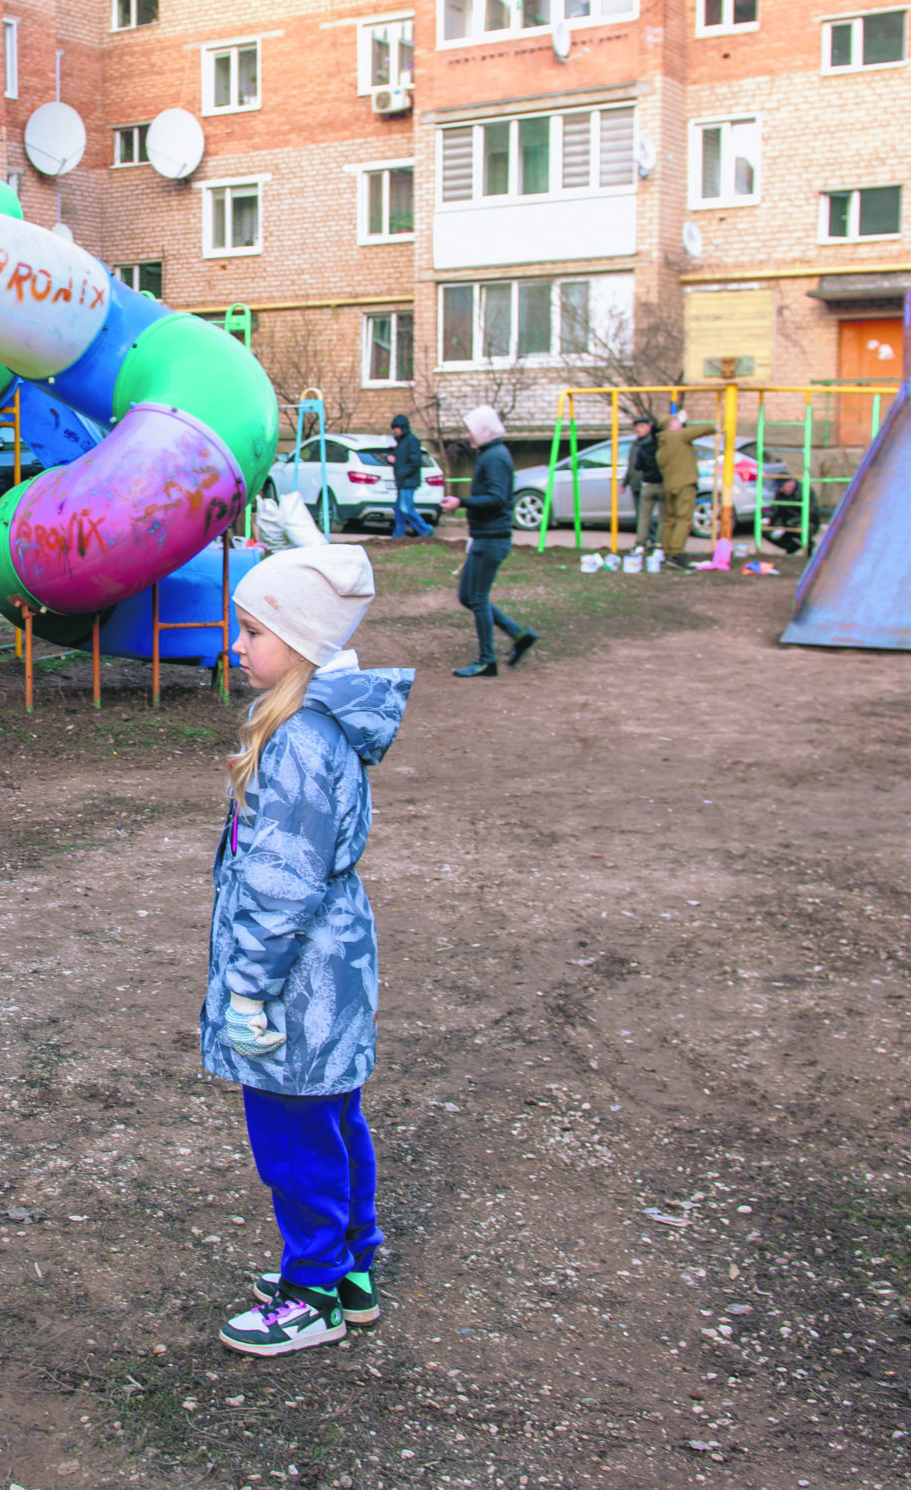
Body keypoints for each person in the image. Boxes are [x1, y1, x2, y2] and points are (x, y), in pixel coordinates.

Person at [205, 543, 413, 1357]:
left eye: (252, 631)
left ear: (298, 644)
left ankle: (312, 1290)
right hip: (335, 964)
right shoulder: (320, 727)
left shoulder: (297, 742)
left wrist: (248, 989)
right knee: (334, 1115)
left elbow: (280, 885)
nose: (238, 645)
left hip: (296, 979)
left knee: (294, 1137)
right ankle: (350, 1266)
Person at [436, 404, 537, 678]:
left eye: (471, 430)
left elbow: (497, 499)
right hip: (484, 537)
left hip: (492, 539)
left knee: (477, 598)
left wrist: (461, 502)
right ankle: (519, 635)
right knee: (467, 596)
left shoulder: (495, 458)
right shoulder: (490, 454)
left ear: (482, 431)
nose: (468, 436)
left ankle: (486, 661)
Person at [655, 410, 703, 562]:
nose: (680, 424)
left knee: (670, 519)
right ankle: (676, 554)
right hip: (685, 485)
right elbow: (695, 431)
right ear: (671, 426)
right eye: (676, 422)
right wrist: (716, 428)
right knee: (684, 519)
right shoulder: (678, 436)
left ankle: (666, 550)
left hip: (670, 486)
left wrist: (681, 421)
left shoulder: (663, 443)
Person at [385, 415, 432, 540]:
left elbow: (415, 462)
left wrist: (403, 472)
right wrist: (390, 460)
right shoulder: (400, 443)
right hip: (402, 481)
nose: (395, 430)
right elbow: (398, 459)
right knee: (399, 510)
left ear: (403, 428)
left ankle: (425, 529)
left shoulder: (412, 441)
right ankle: (398, 534)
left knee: (405, 508)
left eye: (397, 427)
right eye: (394, 427)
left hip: (408, 481)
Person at [625, 415, 664, 555]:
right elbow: (631, 465)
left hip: (650, 483)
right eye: (637, 427)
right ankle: (645, 542)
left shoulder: (652, 444)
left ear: (649, 428)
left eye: (641, 427)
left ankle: (654, 542)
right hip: (636, 484)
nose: (638, 429)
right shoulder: (635, 444)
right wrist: (626, 481)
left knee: (651, 516)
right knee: (642, 516)